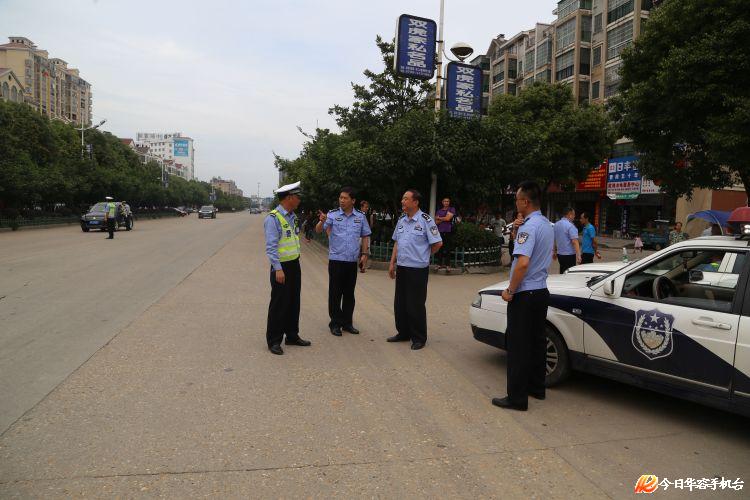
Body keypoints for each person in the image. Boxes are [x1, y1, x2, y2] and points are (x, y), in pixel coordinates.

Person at [492, 181, 554, 412]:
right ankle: (537, 388)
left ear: (525, 202)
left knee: (518, 345)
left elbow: (522, 263)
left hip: (525, 293)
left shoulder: (529, 227)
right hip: (540, 291)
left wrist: (510, 290)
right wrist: (516, 232)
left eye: (517, 200)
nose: (516, 203)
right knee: (537, 342)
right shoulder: (546, 224)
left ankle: (517, 398)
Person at [387, 189, 442, 350]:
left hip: (417, 269)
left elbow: (438, 243)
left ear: (415, 202)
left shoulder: (426, 220)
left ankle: (419, 337)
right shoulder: (402, 220)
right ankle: (403, 333)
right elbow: (397, 242)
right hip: (402, 267)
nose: (402, 201)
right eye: (402, 198)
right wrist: (392, 263)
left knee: (415, 304)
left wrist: (424, 255)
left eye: (406, 199)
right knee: (400, 303)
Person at [316, 187, 371, 337]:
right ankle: (335, 323)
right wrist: (321, 221)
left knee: (349, 294)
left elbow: (365, 235)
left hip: (351, 262)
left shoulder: (360, 216)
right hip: (336, 260)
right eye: (340, 197)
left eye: (345, 198)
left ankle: (347, 323)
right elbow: (319, 230)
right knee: (335, 293)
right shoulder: (332, 214)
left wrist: (364, 254)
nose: (342, 200)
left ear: (353, 201)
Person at [264, 181, 311, 355]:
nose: (299, 200)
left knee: (293, 301)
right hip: (281, 267)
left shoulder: (293, 216)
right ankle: (274, 340)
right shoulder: (273, 218)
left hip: (294, 264)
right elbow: (271, 247)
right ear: (289, 198)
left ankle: (292, 335)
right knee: (279, 304)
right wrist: (278, 268)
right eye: (297, 197)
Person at [553, 207, 581, 274]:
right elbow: (574, 241)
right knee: (569, 273)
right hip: (569, 255)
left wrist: (554, 251)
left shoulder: (556, 224)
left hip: (560, 254)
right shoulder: (570, 226)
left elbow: (555, 239)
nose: (574, 217)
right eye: (573, 215)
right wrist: (578, 255)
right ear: (570, 214)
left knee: (562, 271)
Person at [435, 197, 456, 270]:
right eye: (445, 201)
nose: (446, 202)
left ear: (449, 203)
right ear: (442, 202)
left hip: (448, 231)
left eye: (447, 201)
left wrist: (440, 218)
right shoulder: (439, 211)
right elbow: (436, 222)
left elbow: (448, 219)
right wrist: (444, 218)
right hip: (440, 231)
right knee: (440, 248)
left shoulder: (451, 209)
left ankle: (448, 265)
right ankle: (439, 264)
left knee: (448, 248)